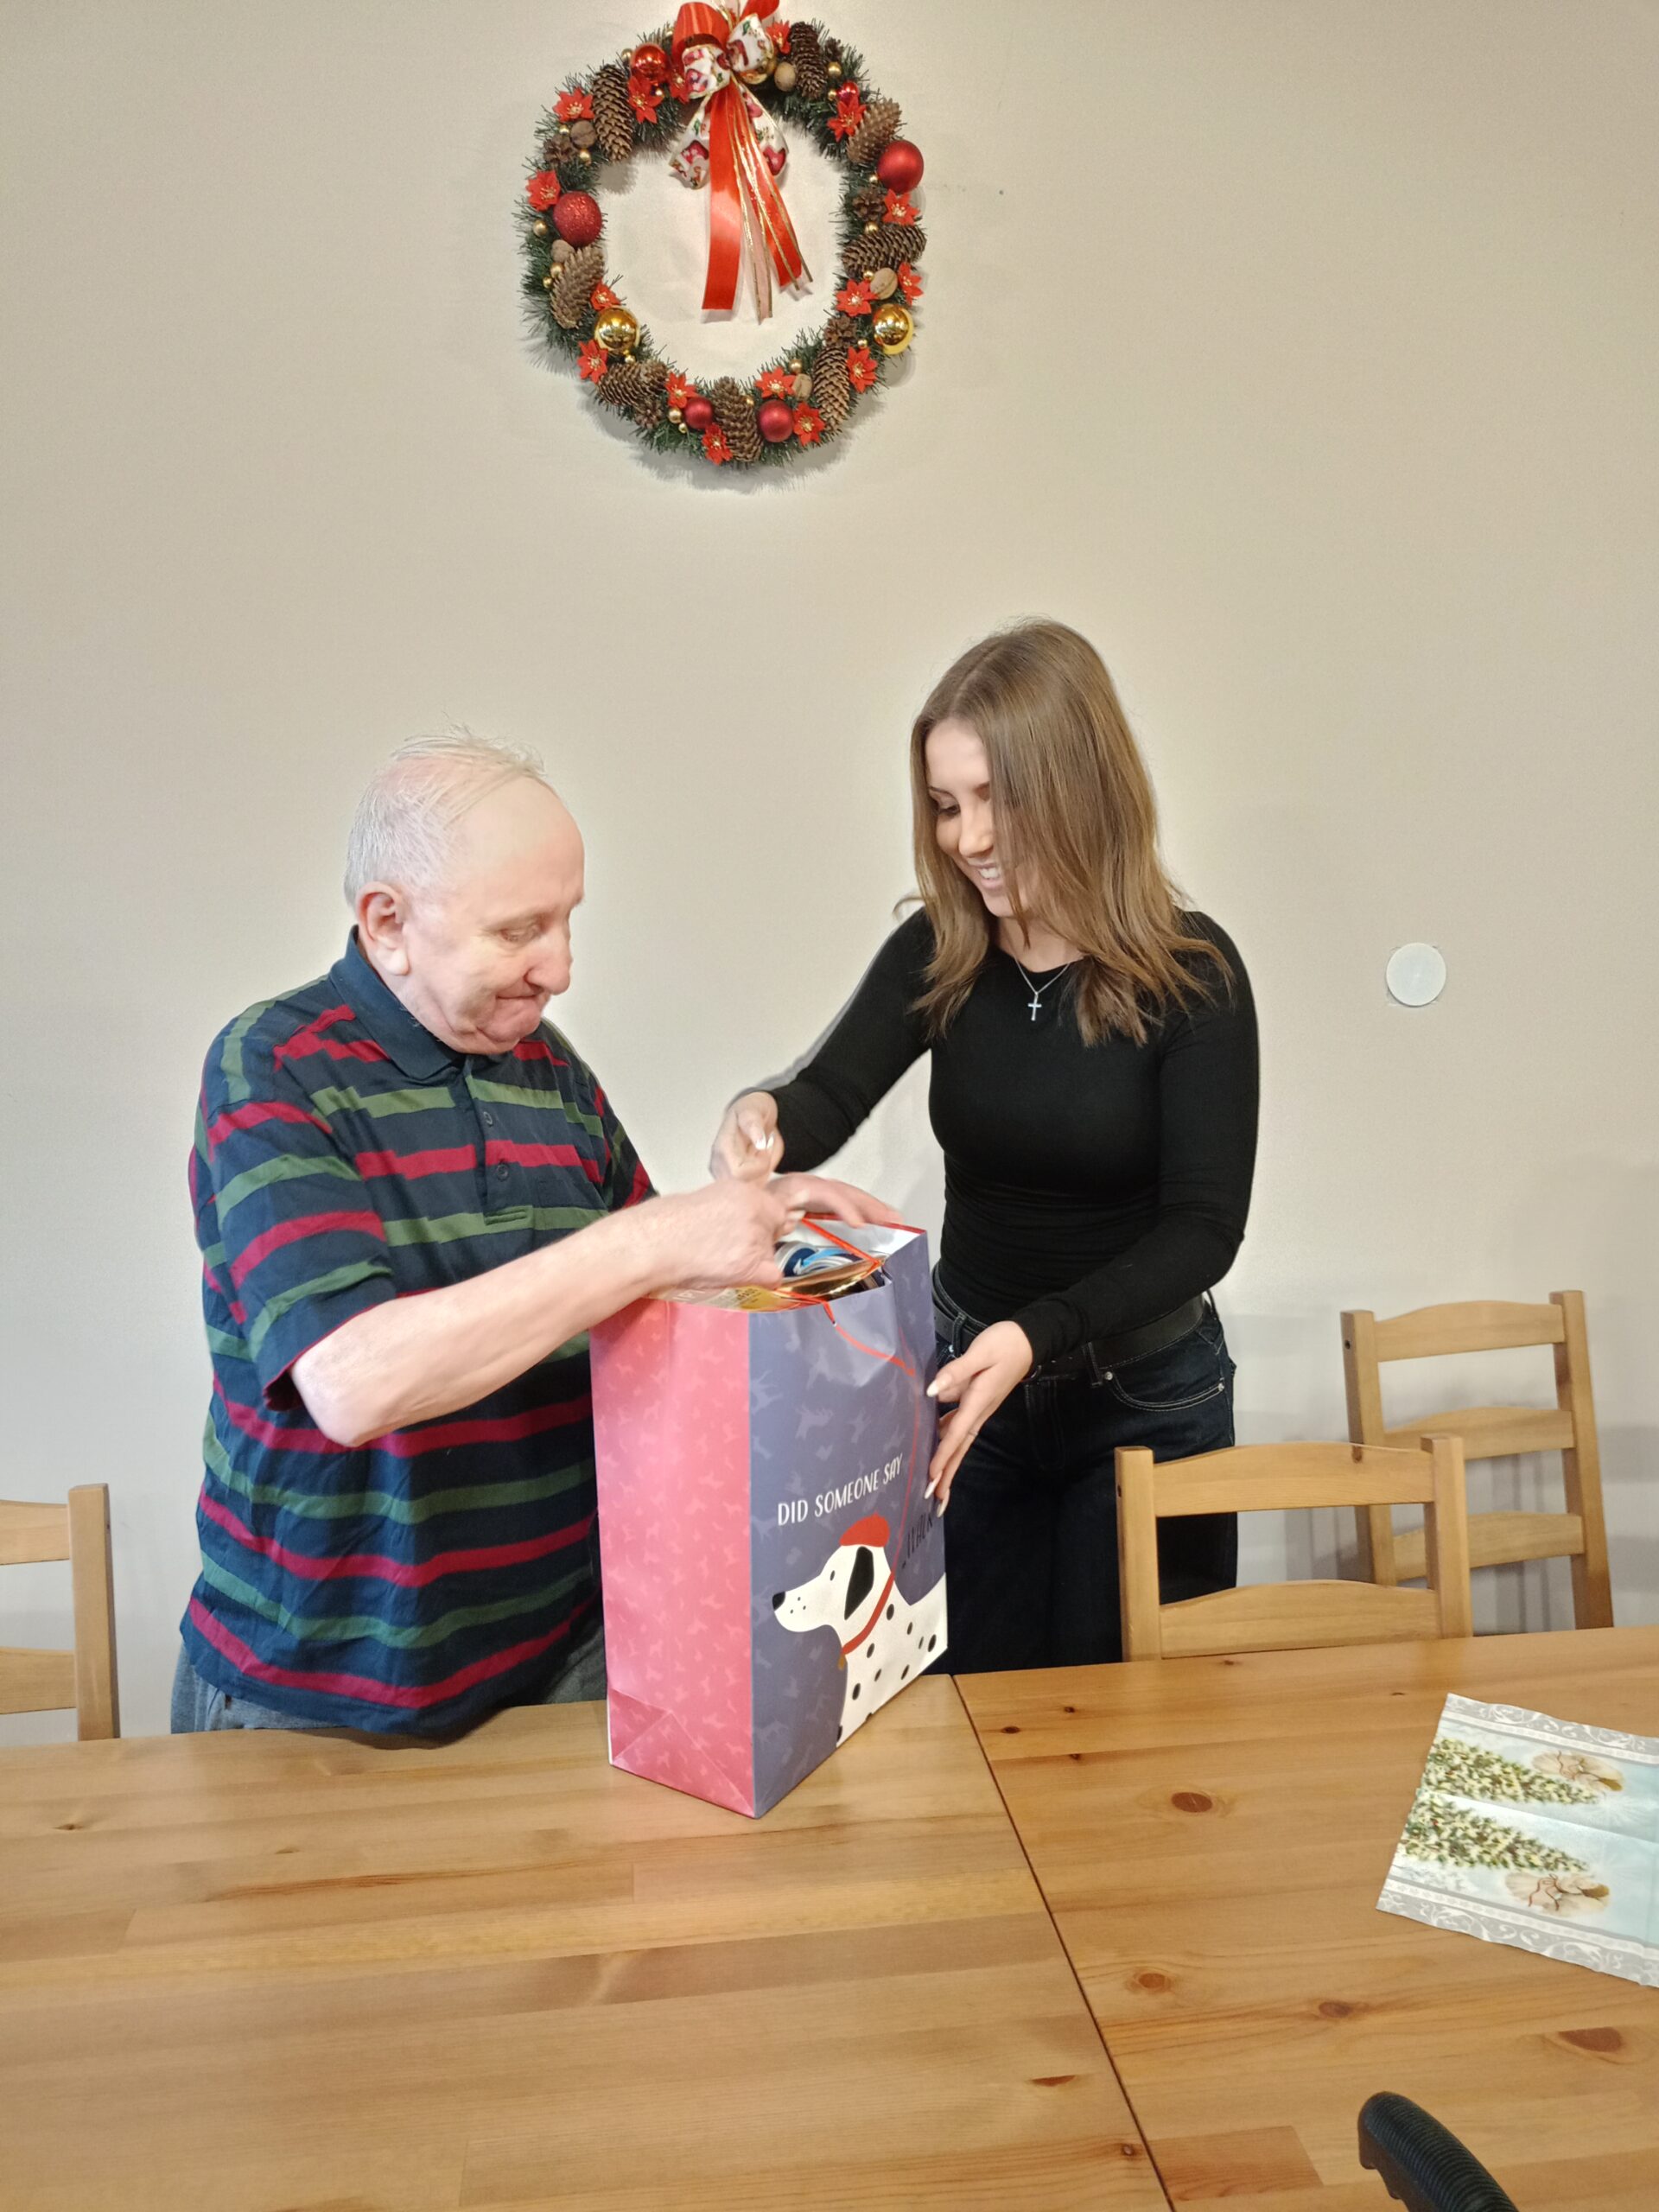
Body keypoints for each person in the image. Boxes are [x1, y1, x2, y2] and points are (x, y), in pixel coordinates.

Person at [174, 733, 895, 1737]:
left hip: (563, 1661)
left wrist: (750, 1224)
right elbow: (353, 1382)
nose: (558, 968)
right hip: (314, 1700)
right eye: (519, 929)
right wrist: (658, 1240)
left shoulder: (546, 1067)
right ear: (389, 923)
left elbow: (638, 1294)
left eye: (566, 921)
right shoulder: (272, 1066)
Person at [711, 621, 1258, 1672]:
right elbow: (825, 1094)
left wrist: (1035, 1335)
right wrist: (759, 1115)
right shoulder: (942, 948)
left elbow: (1204, 1229)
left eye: (994, 799)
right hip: (972, 1390)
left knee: (1134, 1723)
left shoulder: (1194, 975)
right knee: (971, 1705)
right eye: (946, 804)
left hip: (1142, 1398)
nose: (967, 838)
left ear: (1080, 785)